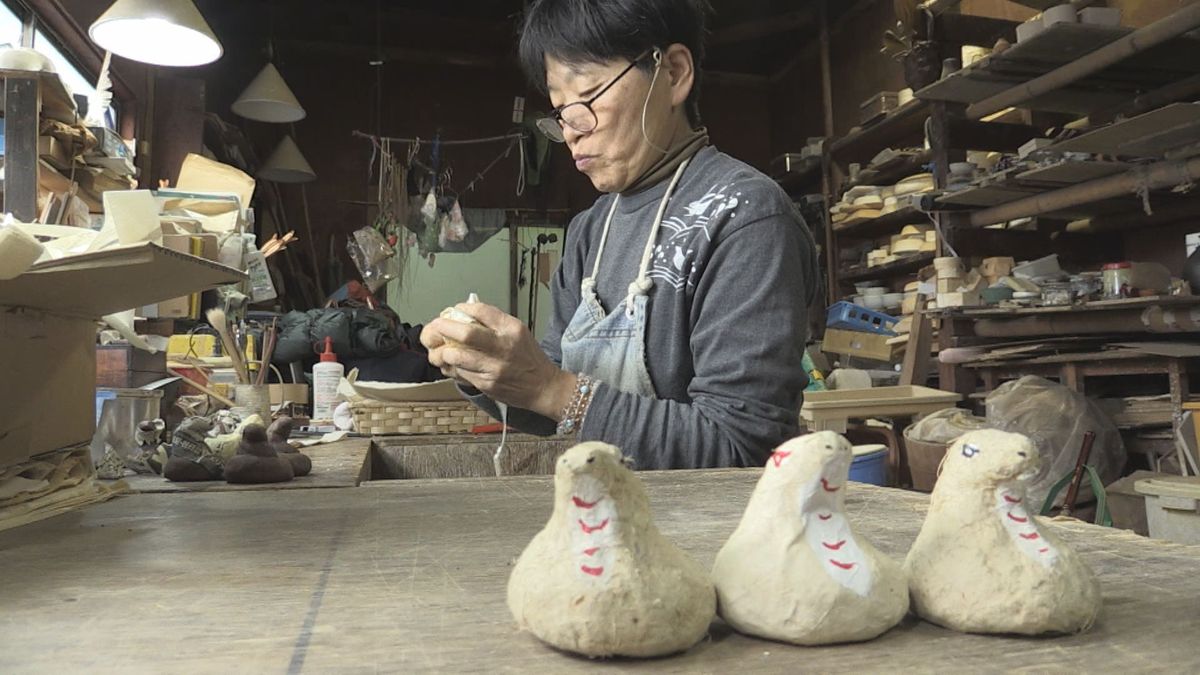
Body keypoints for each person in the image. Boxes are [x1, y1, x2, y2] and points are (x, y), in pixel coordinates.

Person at [421, 0, 818, 469]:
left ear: (672, 72)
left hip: (710, 532)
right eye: (559, 110)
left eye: (587, 96)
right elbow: (557, 409)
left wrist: (551, 388)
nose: (571, 130)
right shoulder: (590, 229)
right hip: (606, 516)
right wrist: (485, 369)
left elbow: (740, 448)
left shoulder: (744, 215)